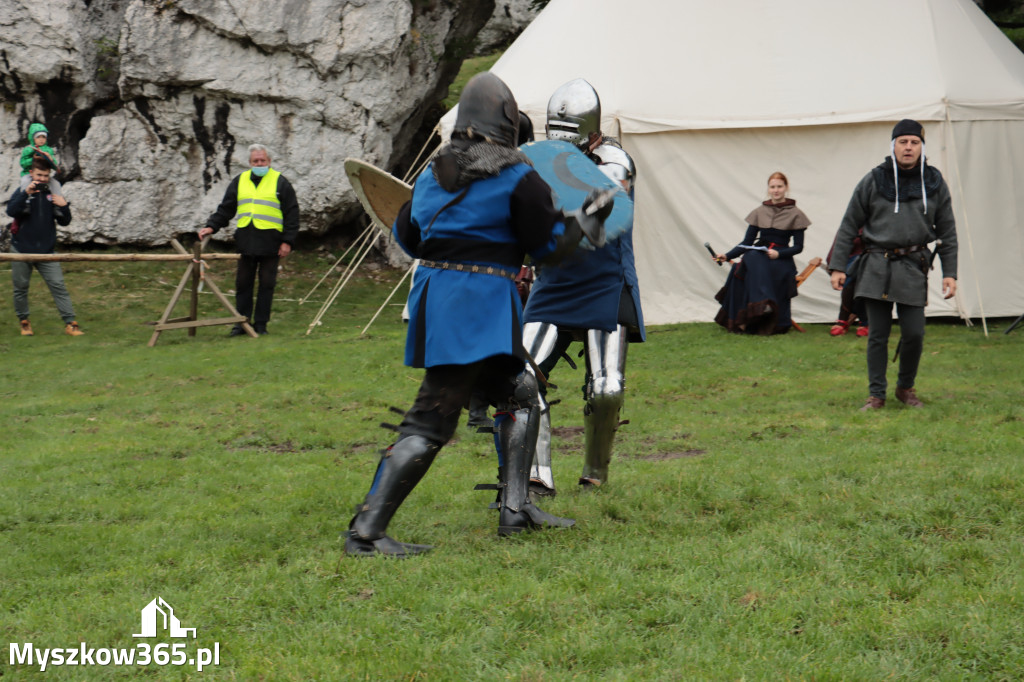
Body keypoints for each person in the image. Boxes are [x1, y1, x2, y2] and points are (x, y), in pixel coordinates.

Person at [344, 72, 610, 557]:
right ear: (507, 122)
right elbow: (548, 248)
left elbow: (408, 238)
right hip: (476, 304)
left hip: (442, 295)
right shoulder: (515, 176)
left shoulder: (430, 173)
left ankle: (515, 508)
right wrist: (588, 221)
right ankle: (366, 533)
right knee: (432, 417)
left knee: (521, 393)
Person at [520, 78, 644, 494]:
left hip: (604, 279)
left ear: (592, 134)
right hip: (554, 278)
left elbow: (602, 212)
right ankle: (538, 474)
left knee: (607, 388)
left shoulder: (614, 160)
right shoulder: (540, 159)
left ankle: (595, 470)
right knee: (522, 376)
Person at [828, 119, 958, 410]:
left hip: (913, 266)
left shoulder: (934, 182)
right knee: (878, 334)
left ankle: (905, 387)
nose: (908, 147)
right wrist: (837, 266)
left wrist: (950, 273)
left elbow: (948, 231)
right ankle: (876, 394)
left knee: (914, 333)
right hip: (876, 265)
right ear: (894, 145)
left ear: (922, 146)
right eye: (903, 142)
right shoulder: (874, 179)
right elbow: (849, 224)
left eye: (914, 142)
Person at [198, 144, 298, 335]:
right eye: (255, 161)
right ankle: (241, 323)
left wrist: (288, 241)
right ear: (249, 163)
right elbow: (226, 208)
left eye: (262, 160)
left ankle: (261, 325)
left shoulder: (281, 182)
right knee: (243, 283)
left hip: (271, 241)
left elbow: (292, 214)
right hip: (246, 240)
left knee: (267, 284)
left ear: (269, 162)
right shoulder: (240, 180)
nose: (259, 163)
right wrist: (211, 226)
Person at [713, 172, 811, 335]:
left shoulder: (796, 213)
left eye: (779, 186)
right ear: (768, 189)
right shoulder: (759, 211)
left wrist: (778, 254)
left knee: (746, 266)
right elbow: (747, 243)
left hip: (781, 259)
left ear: (786, 188)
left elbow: (798, 247)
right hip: (759, 256)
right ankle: (762, 306)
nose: (776, 190)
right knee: (747, 259)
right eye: (772, 187)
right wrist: (727, 255)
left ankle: (749, 320)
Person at [6, 157, 83, 336]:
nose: (42, 179)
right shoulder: (23, 189)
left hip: (47, 250)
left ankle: (70, 323)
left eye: (46, 176)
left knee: (58, 285)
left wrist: (64, 207)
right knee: (21, 287)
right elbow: (11, 211)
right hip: (21, 249)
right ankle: (24, 321)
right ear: (31, 173)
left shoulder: (53, 192)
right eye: (39, 175)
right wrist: (26, 192)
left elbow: (65, 221)